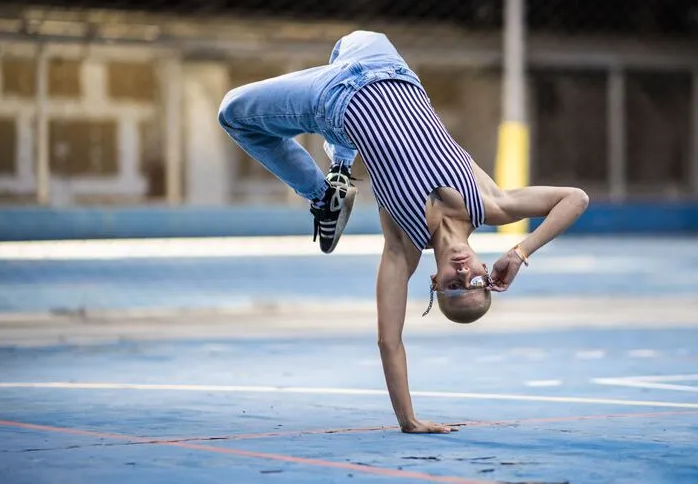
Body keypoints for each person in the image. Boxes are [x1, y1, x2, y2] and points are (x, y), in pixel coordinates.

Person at [218, 30, 589, 433]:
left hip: (336, 98)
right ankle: (341, 159)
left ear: (435, 282)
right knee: (358, 35)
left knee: (232, 112)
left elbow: (389, 341)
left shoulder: (403, 244)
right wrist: (520, 253)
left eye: (454, 287)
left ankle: (321, 194)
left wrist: (408, 419)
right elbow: (575, 198)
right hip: (387, 65)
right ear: (487, 271)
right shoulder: (490, 203)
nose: (464, 276)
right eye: (476, 283)